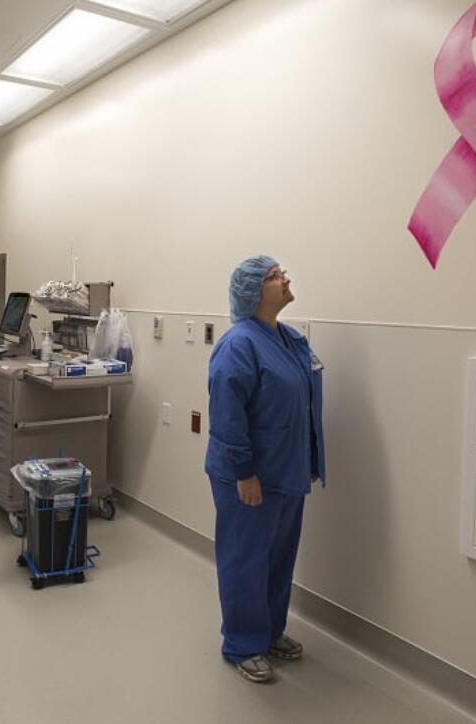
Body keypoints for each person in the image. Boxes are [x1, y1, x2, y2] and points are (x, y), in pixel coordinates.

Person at [205, 255, 326, 683]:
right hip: (249, 474)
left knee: (279, 556)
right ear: (254, 293)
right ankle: (241, 643)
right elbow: (227, 414)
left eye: (282, 272)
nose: (286, 278)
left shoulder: (291, 340)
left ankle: (272, 631)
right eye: (275, 276)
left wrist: (309, 460)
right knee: (246, 559)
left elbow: (304, 406)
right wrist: (244, 472)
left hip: (287, 471)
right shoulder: (238, 344)